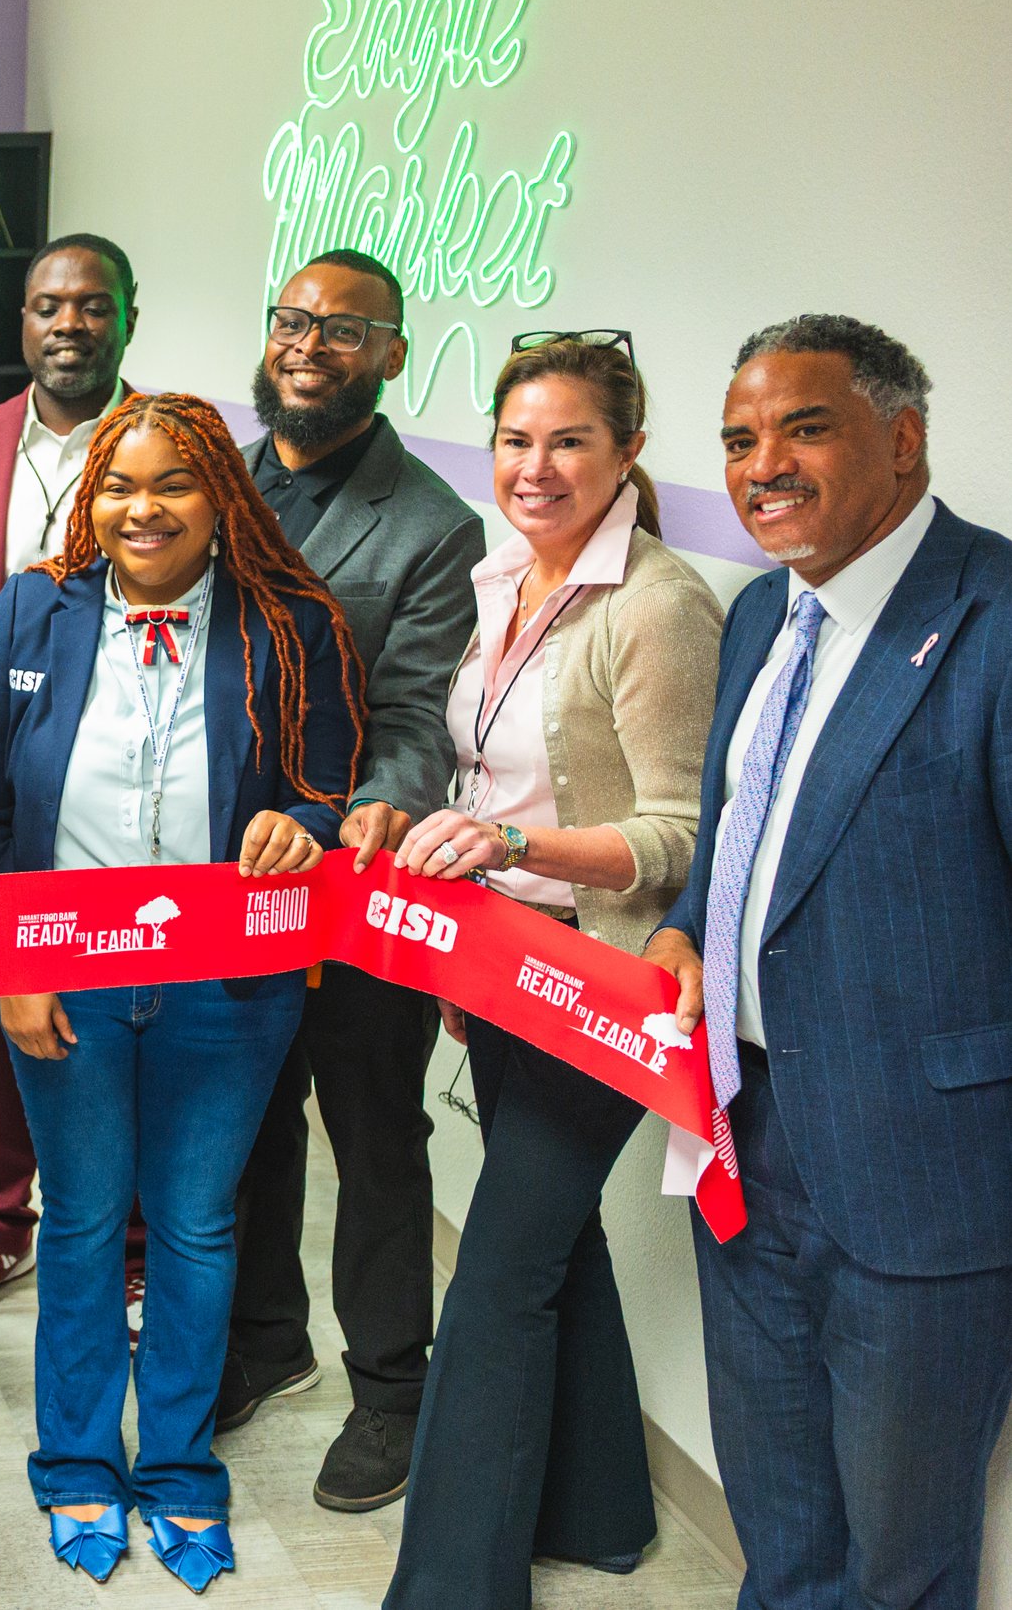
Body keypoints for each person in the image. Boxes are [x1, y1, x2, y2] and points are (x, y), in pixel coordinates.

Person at [0, 392, 364, 1593]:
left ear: (219, 496)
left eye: (171, 483)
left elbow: (329, 776)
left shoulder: (287, 621)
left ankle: (178, 1469)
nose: (141, 507)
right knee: (78, 1220)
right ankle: (75, 1459)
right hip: (60, 978)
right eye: (119, 484)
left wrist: (306, 821)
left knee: (193, 1221)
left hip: (228, 985)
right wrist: (10, 964)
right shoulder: (36, 607)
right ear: (92, 498)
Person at [644, 315, 1012, 1610]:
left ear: (901, 441)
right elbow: (740, 833)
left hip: (928, 1178)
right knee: (783, 1528)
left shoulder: (996, 617)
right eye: (741, 437)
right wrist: (686, 924)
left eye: (806, 427)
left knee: (904, 1561)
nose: (764, 465)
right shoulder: (758, 616)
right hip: (745, 1137)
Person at [380, 335, 722, 1608]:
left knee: (497, 1272)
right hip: (503, 957)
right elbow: (478, 770)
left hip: (604, 980)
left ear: (627, 449)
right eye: (515, 440)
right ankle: (601, 1510)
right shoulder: (504, 575)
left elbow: (684, 831)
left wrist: (516, 844)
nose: (535, 467)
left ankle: (452, 1585)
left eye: (569, 439)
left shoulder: (655, 605)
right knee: (559, 1235)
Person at [223, 249, 487, 1510]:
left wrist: (369, 807)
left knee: (375, 1140)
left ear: (390, 356)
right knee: (247, 1127)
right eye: (290, 319)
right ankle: (264, 1343)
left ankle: (391, 1390)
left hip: (349, 881)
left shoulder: (434, 524)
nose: (306, 342)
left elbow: (414, 710)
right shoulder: (213, 480)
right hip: (222, 881)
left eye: (340, 328)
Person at [0, 232, 142, 1327]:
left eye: (92, 306)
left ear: (126, 319)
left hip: (128, 763)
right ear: (22, 323)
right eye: (49, 305)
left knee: (124, 996)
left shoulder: (166, 441)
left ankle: (128, 1234)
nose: (69, 325)